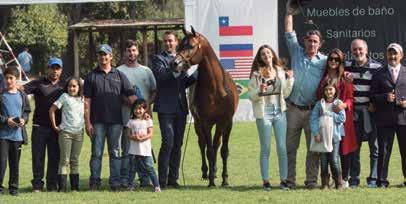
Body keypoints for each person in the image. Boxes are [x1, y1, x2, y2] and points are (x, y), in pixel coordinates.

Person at [284, 10, 327, 189]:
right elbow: (288, 32)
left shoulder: (324, 60)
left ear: (320, 44)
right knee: (290, 148)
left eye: (315, 41)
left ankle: (311, 181)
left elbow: (338, 67)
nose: (311, 44)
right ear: (304, 42)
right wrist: (288, 13)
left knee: (313, 149)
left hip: (313, 111)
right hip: (293, 109)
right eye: (309, 41)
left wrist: (345, 73)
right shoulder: (296, 52)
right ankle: (290, 181)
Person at [84, 44, 136, 191]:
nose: (103, 57)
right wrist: (87, 122)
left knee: (115, 153)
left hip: (116, 122)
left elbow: (131, 95)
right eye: (100, 54)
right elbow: (87, 101)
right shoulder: (91, 76)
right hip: (97, 121)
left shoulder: (119, 75)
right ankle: (95, 182)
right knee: (97, 153)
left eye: (105, 54)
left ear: (111, 57)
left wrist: (142, 109)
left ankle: (115, 183)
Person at [151, 31, 196, 188]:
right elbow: (161, 78)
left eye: (170, 41)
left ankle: (173, 179)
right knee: (168, 143)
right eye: (165, 41)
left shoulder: (181, 58)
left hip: (181, 108)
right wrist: (177, 69)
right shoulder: (158, 59)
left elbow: (183, 83)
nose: (168, 43)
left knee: (177, 144)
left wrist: (196, 74)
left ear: (176, 42)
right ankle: (161, 181)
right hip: (165, 108)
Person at [248, 45, 294, 191]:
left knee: (282, 147)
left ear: (272, 54)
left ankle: (284, 181)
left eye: (268, 52)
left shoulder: (280, 71)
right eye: (263, 54)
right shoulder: (256, 74)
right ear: (260, 58)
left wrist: (290, 80)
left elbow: (285, 94)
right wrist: (259, 91)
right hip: (263, 113)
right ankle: (266, 181)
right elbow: (251, 96)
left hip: (280, 111)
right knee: (266, 148)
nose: (266, 55)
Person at [117, 39, 157, 188]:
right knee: (128, 149)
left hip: (144, 118)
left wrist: (145, 107)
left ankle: (145, 179)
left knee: (144, 148)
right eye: (129, 50)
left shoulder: (146, 71)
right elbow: (118, 93)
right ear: (125, 52)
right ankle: (126, 179)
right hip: (126, 116)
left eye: (134, 50)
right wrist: (131, 104)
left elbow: (154, 91)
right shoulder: (119, 71)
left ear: (138, 52)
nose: (131, 53)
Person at [344, 39, 382, 188]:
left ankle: (373, 179)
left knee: (375, 147)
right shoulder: (346, 66)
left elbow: (381, 89)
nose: (357, 52)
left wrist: (376, 104)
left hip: (372, 112)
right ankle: (354, 179)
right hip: (354, 112)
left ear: (366, 50)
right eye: (354, 50)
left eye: (360, 49)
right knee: (355, 148)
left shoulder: (377, 67)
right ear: (351, 51)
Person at [23, 57, 65, 192]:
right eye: (52, 68)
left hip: (56, 128)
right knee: (38, 157)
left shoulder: (65, 86)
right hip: (39, 126)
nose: (55, 71)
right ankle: (37, 184)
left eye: (57, 68)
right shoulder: (38, 83)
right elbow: (21, 90)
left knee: (54, 157)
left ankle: (52, 184)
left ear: (61, 70)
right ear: (48, 69)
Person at [316, 49, 356, 188]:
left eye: (336, 59)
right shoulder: (324, 77)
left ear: (341, 62)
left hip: (341, 118)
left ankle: (344, 179)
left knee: (343, 149)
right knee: (328, 150)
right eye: (331, 59)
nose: (333, 61)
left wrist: (344, 105)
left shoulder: (345, 77)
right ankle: (330, 180)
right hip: (325, 120)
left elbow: (351, 98)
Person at [371, 43, 406, 188]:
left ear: (401, 56)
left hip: (403, 119)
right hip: (385, 120)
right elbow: (372, 96)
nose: (392, 56)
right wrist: (384, 97)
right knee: (384, 152)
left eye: (395, 53)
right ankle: (382, 181)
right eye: (390, 53)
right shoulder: (379, 73)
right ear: (386, 55)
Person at [49, 77, 84, 192]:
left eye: (74, 86)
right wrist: (54, 126)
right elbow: (52, 110)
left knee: (75, 160)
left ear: (79, 88)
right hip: (66, 133)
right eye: (69, 86)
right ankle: (62, 187)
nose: (72, 88)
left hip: (79, 133)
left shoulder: (83, 99)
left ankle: (75, 187)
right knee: (65, 160)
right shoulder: (64, 97)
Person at [0, 66, 31, 196]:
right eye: (6, 78)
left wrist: (24, 120)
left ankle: (13, 188)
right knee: (1, 163)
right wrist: (6, 120)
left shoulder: (22, 95)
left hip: (17, 136)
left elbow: (26, 112)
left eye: (11, 78)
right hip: (3, 136)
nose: (9, 80)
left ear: (17, 79)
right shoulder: (1, 95)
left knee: (15, 164)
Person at [311, 83, 345, 189]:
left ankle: (338, 182)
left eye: (331, 89)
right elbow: (313, 119)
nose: (328, 92)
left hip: (334, 136)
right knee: (324, 160)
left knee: (334, 159)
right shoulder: (319, 104)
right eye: (326, 90)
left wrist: (329, 114)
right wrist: (316, 133)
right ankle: (324, 183)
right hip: (322, 136)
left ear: (335, 90)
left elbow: (342, 118)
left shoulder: (338, 103)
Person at [126, 98, 160, 192]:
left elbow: (150, 134)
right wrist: (134, 137)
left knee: (149, 167)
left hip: (145, 150)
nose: (138, 111)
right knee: (132, 169)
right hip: (133, 150)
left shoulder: (148, 121)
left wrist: (142, 138)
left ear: (145, 109)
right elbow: (128, 134)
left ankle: (156, 185)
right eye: (136, 109)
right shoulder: (131, 121)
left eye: (140, 108)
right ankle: (130, 185)